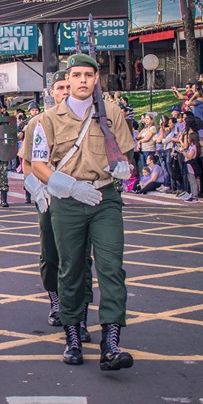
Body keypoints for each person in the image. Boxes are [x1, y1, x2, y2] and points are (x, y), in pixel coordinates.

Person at [30, 53, 135, 371]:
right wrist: (70, 187)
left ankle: (111, 342)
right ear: (68, 80)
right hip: (68, 199)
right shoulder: (46, 121)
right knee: (71, 269)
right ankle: (73, 336)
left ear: (96, 79)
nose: (82, 81)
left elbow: (126, 153)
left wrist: (123, 167)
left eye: (89, 75)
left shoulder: (111, 112)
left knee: (112, 268)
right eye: (76, 75)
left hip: (104, 198)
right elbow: (37, 165)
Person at [22, 69, 93, 339]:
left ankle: (80, 314)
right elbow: (27, 164)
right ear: (52, 92)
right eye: (60, 87)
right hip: (51, 198)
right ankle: (55, 300)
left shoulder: (91, 120)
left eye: (68, 86)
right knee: (51, 257)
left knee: (81, 261)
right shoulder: (38, 123)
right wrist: (38, 192)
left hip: (81, 199)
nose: (65, 91)